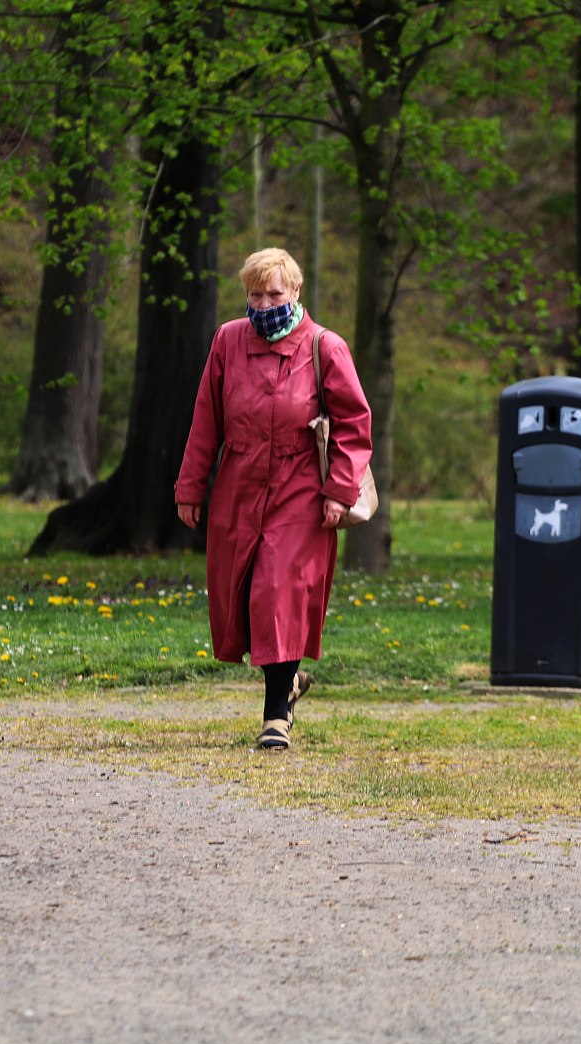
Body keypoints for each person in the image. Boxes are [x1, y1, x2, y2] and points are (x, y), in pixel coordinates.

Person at [174, 248, 374, 751]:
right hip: (239, 484)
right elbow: (205, 420)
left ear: (297, 292)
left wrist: (339, 492)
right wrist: (191, 487)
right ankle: (289, 684)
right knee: (240, 595)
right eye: (256, 294)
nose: (265, 304)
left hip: (300, 487)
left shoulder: (325, 347)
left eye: (275, 293)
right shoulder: (228, 341)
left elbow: (354, 425)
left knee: (276, 592)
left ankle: (273, 718)